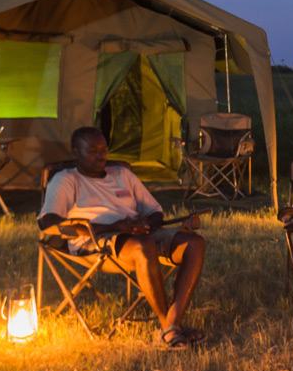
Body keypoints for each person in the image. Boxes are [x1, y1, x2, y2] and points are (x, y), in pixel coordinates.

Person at [38, 127, 208, 348]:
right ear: (75, 153)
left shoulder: (122, 174)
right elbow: (48, 222)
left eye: (104, 150)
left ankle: (172, 322)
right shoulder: (66, 180)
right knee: (144, 246)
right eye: (92, 150)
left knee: (195, 243)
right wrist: (114, 227)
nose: (101, 155)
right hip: (96, 239)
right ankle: (170, 329)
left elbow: (154, 210)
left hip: (139, 234)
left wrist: (145, 225)